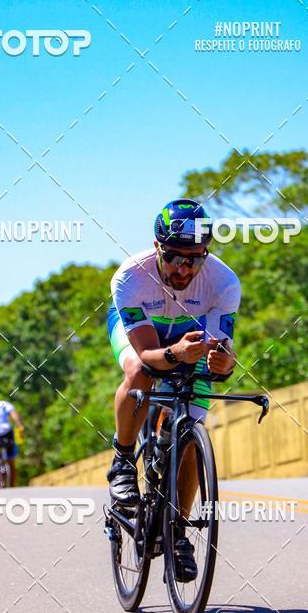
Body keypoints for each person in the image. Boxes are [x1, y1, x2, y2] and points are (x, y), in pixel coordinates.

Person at [106, 199, 239, 581]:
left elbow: (221, 349)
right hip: (146, 334)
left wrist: (224, 362)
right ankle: (122, 459)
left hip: (188, 335)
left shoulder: (224, 282)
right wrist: (175, 352)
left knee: (190, 438)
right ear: (157, 247)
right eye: (174, 258)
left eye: (193, 260)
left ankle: (177, 530)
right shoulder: (130, 277)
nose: (183, 269)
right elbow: (148, 352)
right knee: (140, 370)